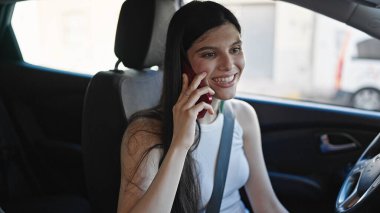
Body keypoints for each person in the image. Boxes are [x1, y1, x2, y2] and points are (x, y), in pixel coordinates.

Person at [117, 1, 288, 213]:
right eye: (209, 54)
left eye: (235, 49)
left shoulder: (243, 116)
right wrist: (180, 144)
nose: (229, 64)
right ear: (183, 63)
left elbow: (267, 205)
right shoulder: (145, 133)